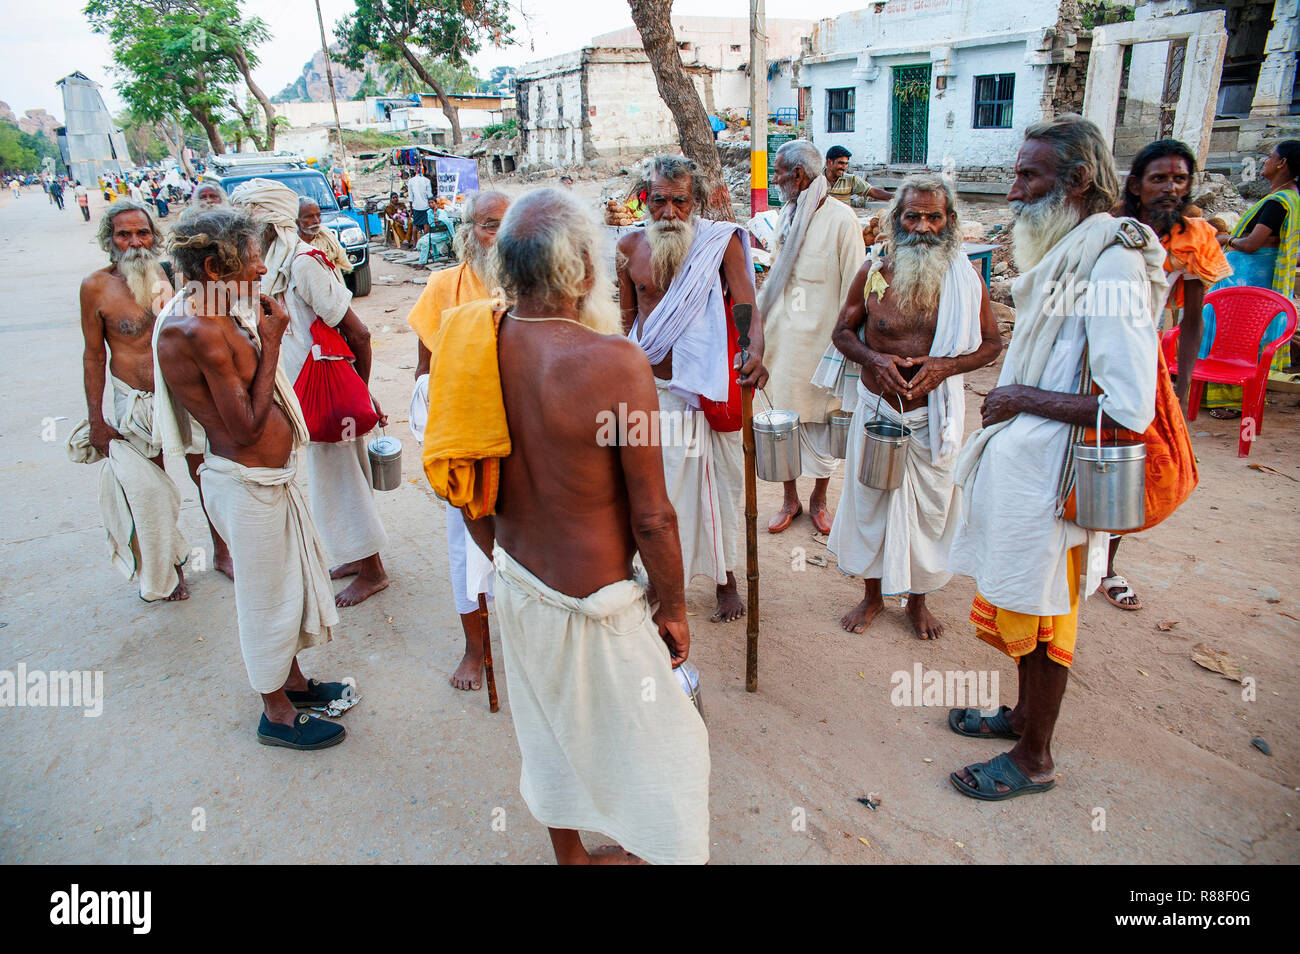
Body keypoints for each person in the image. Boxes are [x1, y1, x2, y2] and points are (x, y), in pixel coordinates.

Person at [454, 187, 709, 864]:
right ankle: (660, 854)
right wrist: (675, 606)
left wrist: (504, 562)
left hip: (519, 582)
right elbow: (652, 515)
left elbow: (462, 486)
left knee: (550, 731)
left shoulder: (475, 346)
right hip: (599, 603)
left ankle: (571, 855)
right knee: (668, 748)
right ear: (586, 271)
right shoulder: (615, 363)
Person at [947, 115, 1165, 800]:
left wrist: (1018, 396)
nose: (1013, 191)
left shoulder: (1114, 260)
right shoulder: (1075, 247)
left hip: (1063, 484)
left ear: (1076, 180)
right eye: (1016, 173)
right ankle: (1019, 718)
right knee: (1029, 611)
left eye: (1028, 176)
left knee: (1048, 620)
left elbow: (1129, 406)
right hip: (1032, 474)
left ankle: (1035, 756)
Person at [154, 208, 349, 749]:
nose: (263, 270)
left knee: (282, 588)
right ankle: (276, 713)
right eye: (255, 259)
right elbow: (242, 428)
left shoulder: (219, 309)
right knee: (264, 599)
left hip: (264, 480)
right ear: (216, 267)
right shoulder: (197, 329)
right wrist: (272, 341)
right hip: (244, 481)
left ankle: (292, 683)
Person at [825, 174, 1001, 639]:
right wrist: (873, 358)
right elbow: (842, 333)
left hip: (932, 418)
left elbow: (990, 344)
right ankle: (872, 595)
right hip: (877, 411)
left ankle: (918, 602)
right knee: (870, 502)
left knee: (931, 511)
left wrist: (945, 367)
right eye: (913, 216)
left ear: (949, 222)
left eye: (933, 217)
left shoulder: (966, 279)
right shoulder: (873, 271)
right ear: (896, 220)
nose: (923, 227)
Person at [617, 155, 767, 623]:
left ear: (695, 202)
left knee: (716, 493)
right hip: (651, 389)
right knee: (654, 495)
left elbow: (748, 309)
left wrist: (755, 351)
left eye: (679, 201)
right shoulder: (627, 246)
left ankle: (726, 581)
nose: (668, 212)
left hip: (704, 393)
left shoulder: (720, 244)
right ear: (646, 199)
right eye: (658, 200)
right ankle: (664, 583)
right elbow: (626, 320)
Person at [230, 179, 390, 607]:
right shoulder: (279, 264)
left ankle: (373, 570)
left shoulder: (303, 263)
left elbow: (358, 331)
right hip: (305, 389)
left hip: (328, 391)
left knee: (342, 482)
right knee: (329, 479)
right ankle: (359, 558)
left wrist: (363, 393)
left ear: (266, 224)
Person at [1097, 140, 1232, 612]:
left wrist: (1184, 379)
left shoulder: (1194, 236)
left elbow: (1193, 320)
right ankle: (1073, 558)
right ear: (1136, 184)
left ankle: (1106, 567)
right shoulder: (1108, 227)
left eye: (1179, 179)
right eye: (1159, 178)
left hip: (1144, 358)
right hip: (1091, 351)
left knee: (1136, 465)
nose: (1170, 187)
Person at [76, 199, 231, 596]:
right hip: (136, 402)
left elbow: (206, 330)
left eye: (142, 232)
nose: (134, 242)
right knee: (149, 488)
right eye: (123, 234)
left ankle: (223, 551)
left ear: (154, 236)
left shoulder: (173, 277)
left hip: (183, 392)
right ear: (109, 240)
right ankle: (167, 568)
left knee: (207, 473)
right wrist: (96, 418)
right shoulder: (96, 287)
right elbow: (94, 356)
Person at [406, 190, 509, 691]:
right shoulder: (443, 286)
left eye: (509, 227)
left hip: (524, 440)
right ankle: (476, 647)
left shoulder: (537, 283)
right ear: (469, 233)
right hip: (466, 442)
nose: (501, 237)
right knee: (466, 549)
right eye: (490, 226)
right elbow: (424, 376)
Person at [760, 139, 867, 534]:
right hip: (784, 344)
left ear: (799, 176)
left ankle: (819, 500)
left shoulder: (843, 220)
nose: (776, 180)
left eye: (780, 173)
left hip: (825, 346)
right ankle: (790, 500)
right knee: (783, 420)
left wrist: (846, 346)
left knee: (824, 423)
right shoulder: (787, 216)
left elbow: (856, 287)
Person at [1200, 139, 1299, 415]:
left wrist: (1226, 238)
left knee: (1234, 336)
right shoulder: (1291, 198)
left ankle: (1230, 401)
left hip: (1247, 280)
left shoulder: (1278, 202)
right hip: (1256, 277)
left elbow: (1252, 243)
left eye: (1271, 156)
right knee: (1245, 337)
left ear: (1282, 164)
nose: (1266, 161)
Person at [296, 197, 352, 280]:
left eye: (318, 215)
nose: (316, 221)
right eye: (309, 216)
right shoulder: (292, 245)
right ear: (297, 221)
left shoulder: (327, 237)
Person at [824, 145, 892, 205]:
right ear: (830, 162)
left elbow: (873, 192)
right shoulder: (816, 179)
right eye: (841, 163)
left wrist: (897, 197)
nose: (844, 167)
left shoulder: (850, 180)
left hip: (844, 219)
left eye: (846, 164)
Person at [407, 167, 433, 239]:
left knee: (415, 225)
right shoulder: (427, 181)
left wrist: (411, 209)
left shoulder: (411, 181)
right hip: (425, 206)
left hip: (416, 206)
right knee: (426, 225)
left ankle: (415, 245)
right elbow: (429, 195)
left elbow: (410, 197)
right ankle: (426, 243)